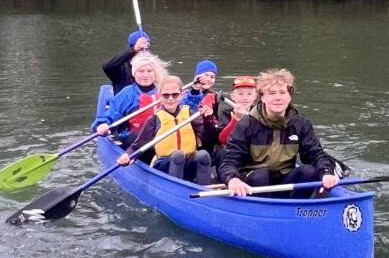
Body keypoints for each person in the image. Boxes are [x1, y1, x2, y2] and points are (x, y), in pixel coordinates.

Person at [218, 69, 339, 198]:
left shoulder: (300, 123)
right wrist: (232, 179)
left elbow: (315, 154)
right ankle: (264, 207)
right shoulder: (246, 125)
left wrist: (326, 172)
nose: (278, 98)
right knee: (261, 175)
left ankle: (296, 206)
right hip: (254, 182)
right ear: (262, 97)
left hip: (285, 180)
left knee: (308, 171)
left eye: (282, 92)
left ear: (289, 96)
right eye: (272, 93)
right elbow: (229, 159)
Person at [117, 75, 216, 185]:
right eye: (166, 95)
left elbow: (208, 140)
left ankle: (203, 189)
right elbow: (139, 143)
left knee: (203, 155)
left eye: (175, 95)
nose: (170, 99)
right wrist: (127, 155)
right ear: (159, 96)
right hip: (164, 165)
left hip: (187, 163)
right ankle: (174, 188)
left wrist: (208, 119)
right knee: (178, 155)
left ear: (181, 95)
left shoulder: (190, 114)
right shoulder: (154, 119)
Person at [92, 52, 167, 148]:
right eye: (141, 71)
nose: (145, 75)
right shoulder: (127, 93)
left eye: (149, 71)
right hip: (133, 138)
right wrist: (102, 125)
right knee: (144, 136)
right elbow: (111, 113)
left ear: (155, 73)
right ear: (134, 74)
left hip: (162, 137)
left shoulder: (165, 91)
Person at [217, 75, 258, 147]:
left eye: (249, 94)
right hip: (232, 149)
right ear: (233, 97)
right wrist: (236, 119)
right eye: (240, 94)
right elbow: (223, 140)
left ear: (255, 97)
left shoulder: (259, 114)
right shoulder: (225, 114)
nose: (245, 98)